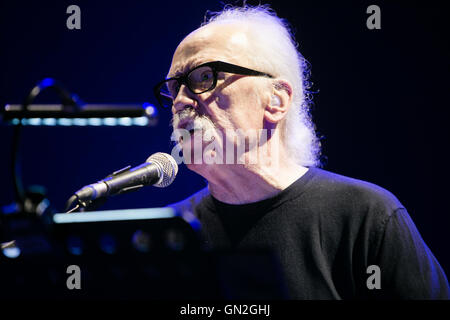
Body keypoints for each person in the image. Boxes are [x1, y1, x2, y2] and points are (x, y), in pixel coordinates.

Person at [154, 5, 449, 299]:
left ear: (276, 100)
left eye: (203, 77)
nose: (180, 101)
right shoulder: (169, 235)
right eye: (173, 87)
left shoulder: (367, 216)